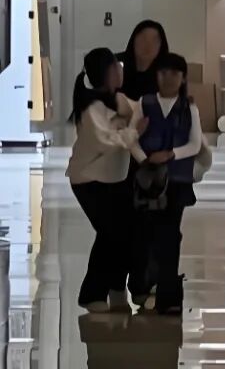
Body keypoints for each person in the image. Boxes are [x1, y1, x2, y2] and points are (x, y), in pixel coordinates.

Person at [66, 48, 144, 313]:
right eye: (115, 67)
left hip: (113, 179)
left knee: (120, 233)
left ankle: (114, 288)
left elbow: (138, 110)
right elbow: (105, 142)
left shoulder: (117, 100)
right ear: (104, 73)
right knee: (110, 234)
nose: (120, 70)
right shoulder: (92, 109)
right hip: (89, 180)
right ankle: (92, 294)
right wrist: (133, 132)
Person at [128, 52, 202, 314]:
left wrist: (170, 154)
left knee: (170, 234)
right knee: (148, 233)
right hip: (148, 181)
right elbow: (132, 138)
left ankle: (169, 295)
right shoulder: (144, 103)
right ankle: (145, 284)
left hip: (178, 179)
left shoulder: (189, 108)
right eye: (163, 72)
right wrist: (145, 159)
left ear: (183, 78)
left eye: (174, 73)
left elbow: (195, 143)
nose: (168, 78)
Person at [118, 20, 169, 100]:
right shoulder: (115, 63)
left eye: (154, 40)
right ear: (133, 40)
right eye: (143, 38)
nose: (148, 45)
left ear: (161, 45)